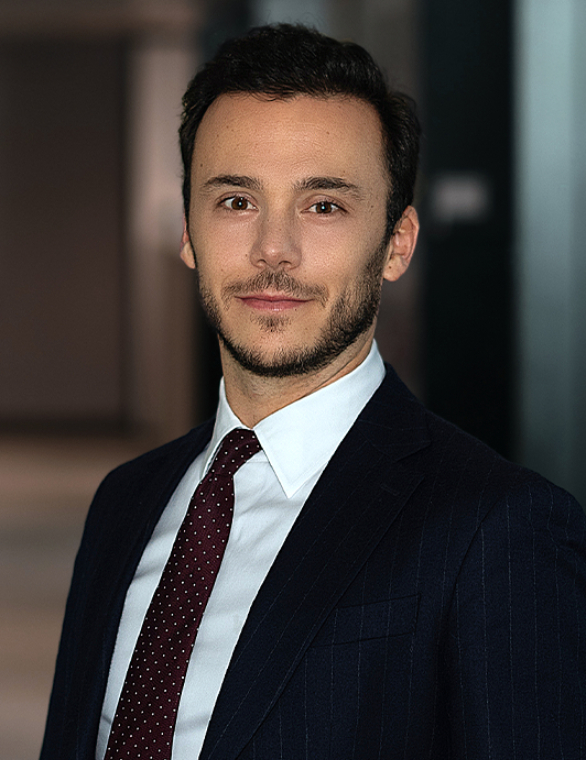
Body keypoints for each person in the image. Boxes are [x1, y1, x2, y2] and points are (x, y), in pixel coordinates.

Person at [41, 24, 586, 760]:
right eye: (237, 201)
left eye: (323, 205)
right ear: (189, 233)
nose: (274, 248)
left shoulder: (499, 529)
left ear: (396, 244)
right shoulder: (125, 500)